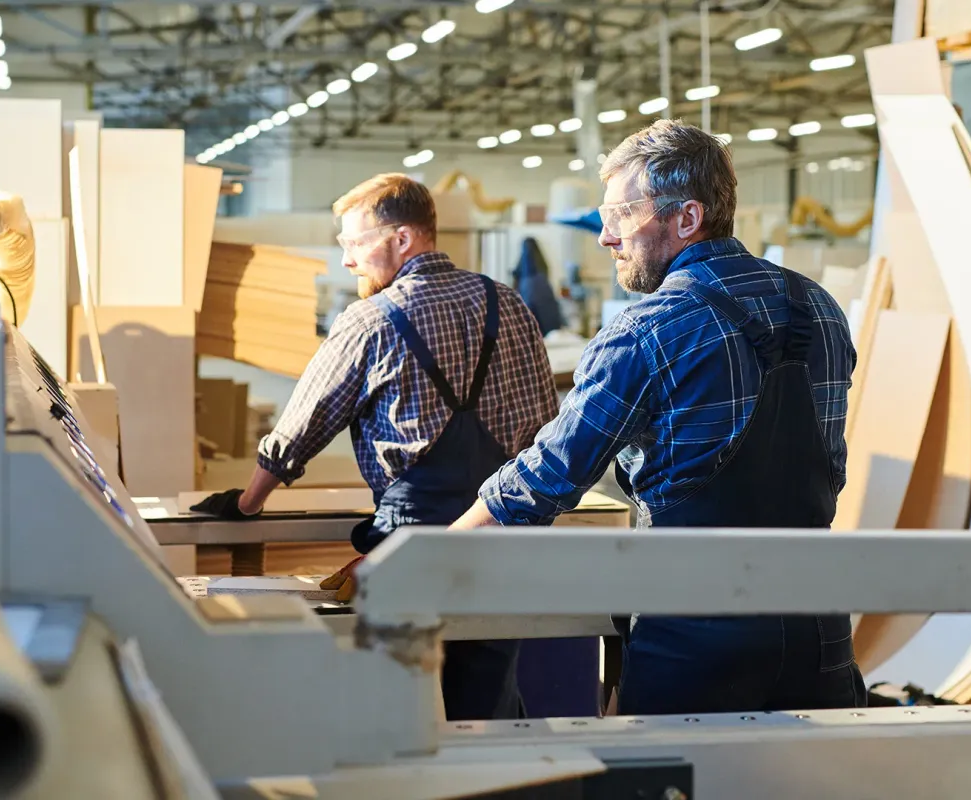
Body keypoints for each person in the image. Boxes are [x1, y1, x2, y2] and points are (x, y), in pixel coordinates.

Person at [450, 119, 866, 715]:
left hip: (696, 633)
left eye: (621, 215)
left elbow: (547, 478)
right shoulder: (819, 308)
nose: (605, 237)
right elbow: (828, 467)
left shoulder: (647, 330)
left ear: (687, 218)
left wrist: (435, 554)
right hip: (818, 631)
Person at [192, 173, 559, 721]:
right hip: (501, 534)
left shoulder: (371, 320)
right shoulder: (505, 302)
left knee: (403, 694)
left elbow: (301, 427)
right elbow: (546, 427)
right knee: (486, 696)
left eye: (356, 243)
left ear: (405, 239)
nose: (347, 260)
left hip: (410, 541)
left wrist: (248, 502)